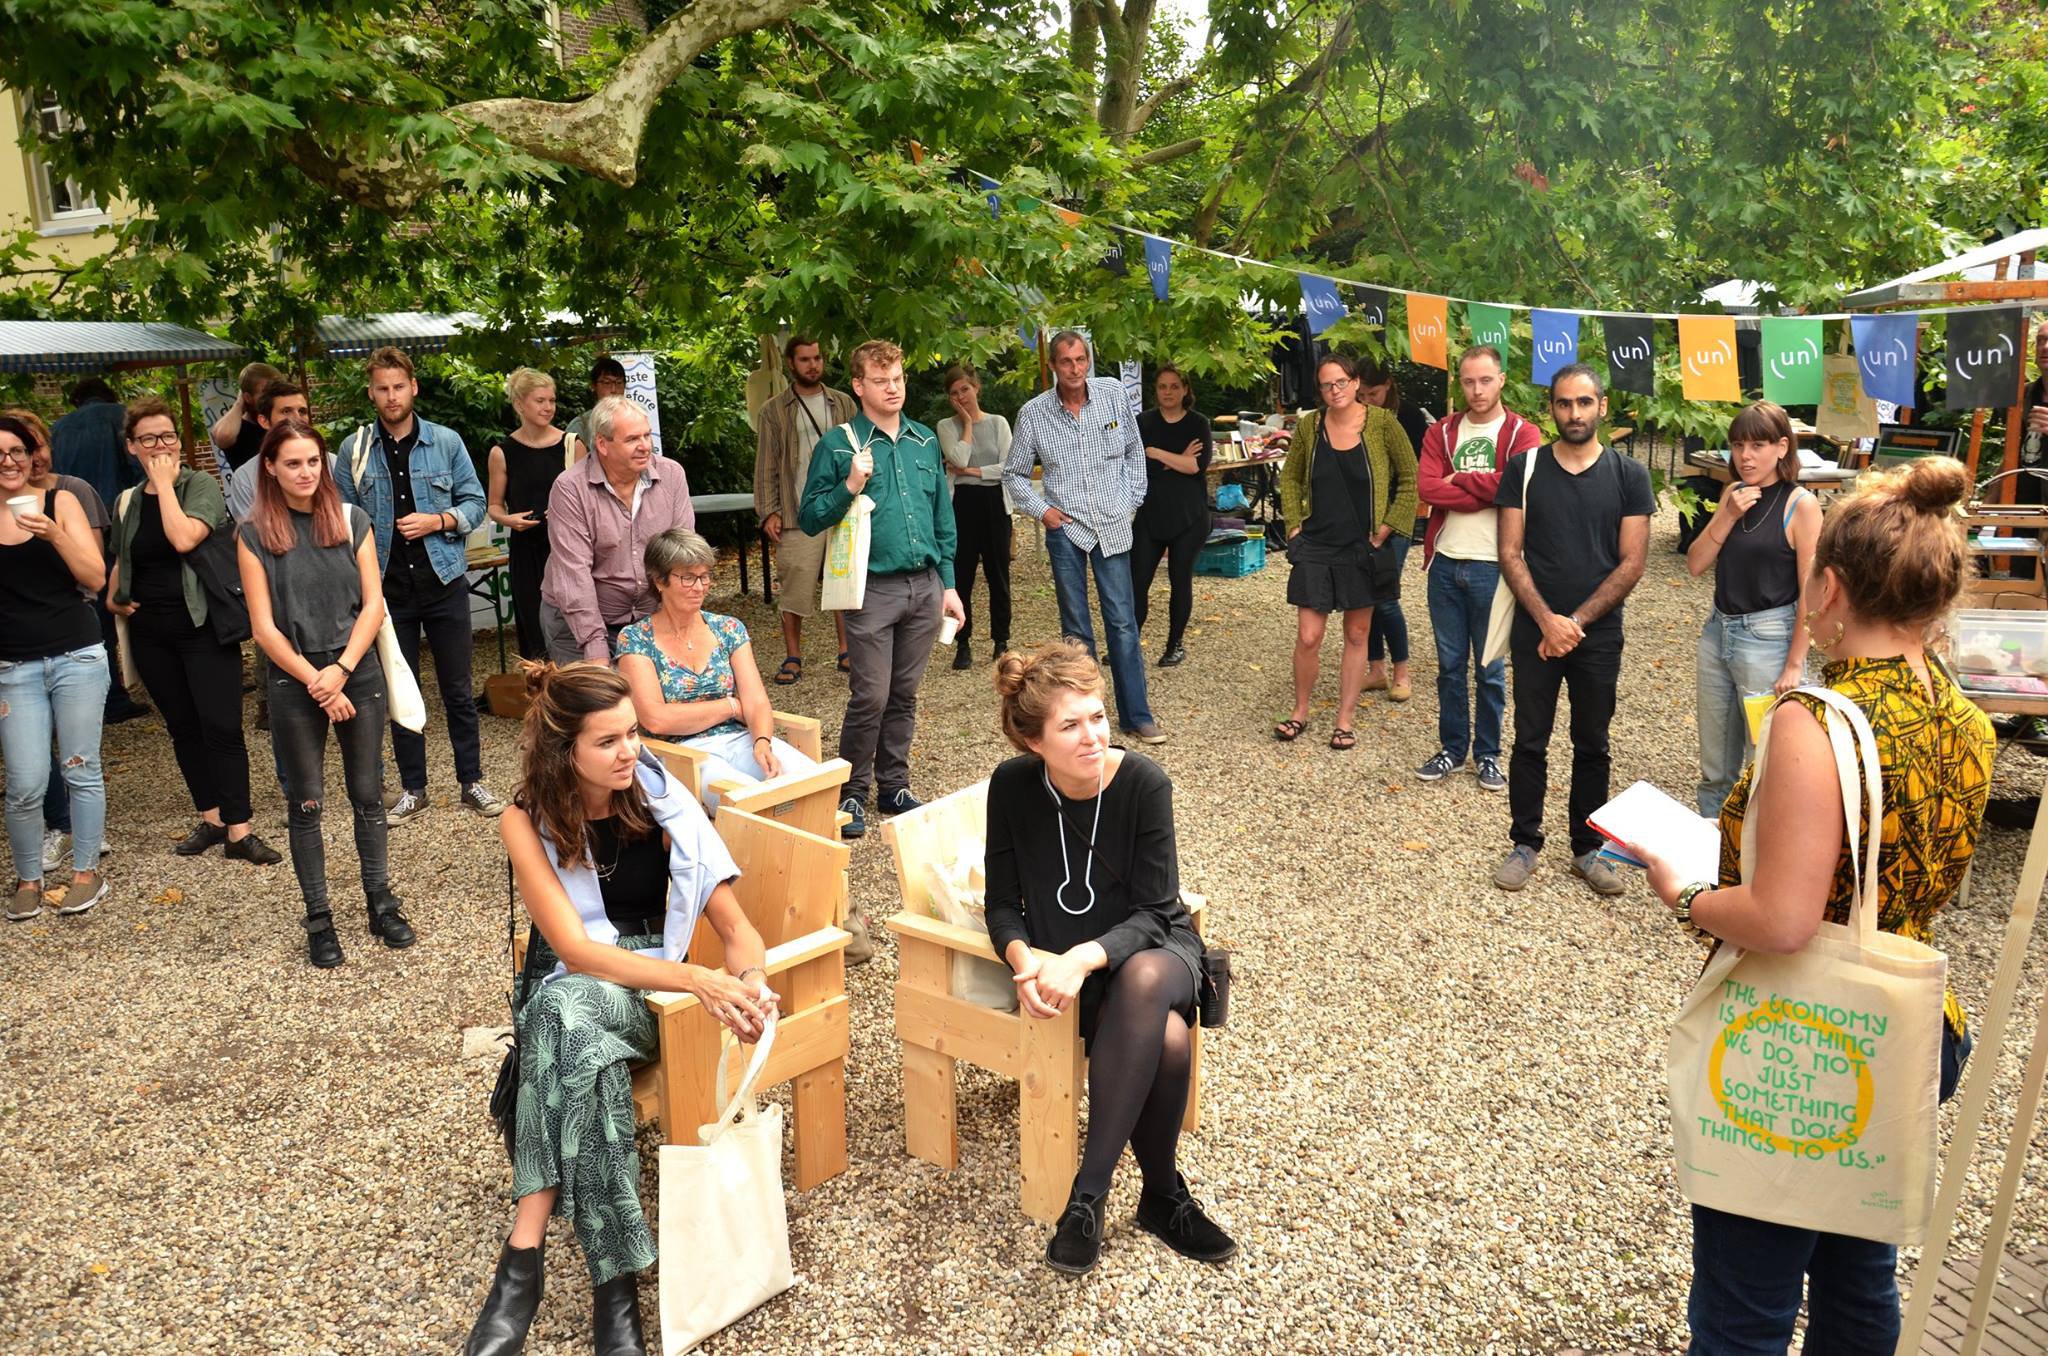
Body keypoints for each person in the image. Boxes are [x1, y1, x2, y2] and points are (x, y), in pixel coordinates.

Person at [1628, 456, 1992, 1355]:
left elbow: (1786, 921)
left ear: (1829, 585)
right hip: (1906, 1028)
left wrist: (1691, 893)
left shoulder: (1816, 720)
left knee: (1744, 1312)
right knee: (1857, 1283)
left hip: (1805, 1042)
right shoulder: (1966, 715)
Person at [465, 663, 774, 1356]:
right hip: (580, 978)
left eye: (633, 733)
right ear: (563, 750)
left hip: (653, 994)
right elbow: (575, 950)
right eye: (608, 741)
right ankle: (615, 1292)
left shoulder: (664, 805)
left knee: (564, 1021)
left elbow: (737, 930)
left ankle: (523, 1264)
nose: (630, 751)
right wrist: (699, 979)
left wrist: (749, 978)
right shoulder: (524, 820)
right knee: (578, 1040)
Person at [984, 641, 1233, 1275]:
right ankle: (1161, 1196)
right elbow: (1001, 904)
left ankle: (1085, 1198)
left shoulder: (1144, 782)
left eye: (1097, 715)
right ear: (1034, 741)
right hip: (1076, 976)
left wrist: (1078, 960)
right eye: (1070, 725)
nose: (1093, 735)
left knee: (1147, 983)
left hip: (1155, 951)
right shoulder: (1012, 787)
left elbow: (1155, 912)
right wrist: (1024, 962)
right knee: (1171, 1041)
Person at [237, 418, 408, 967]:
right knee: (306, 800)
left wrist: (340, 670)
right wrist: (317, 681)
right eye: (293, 462)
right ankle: (319, 918)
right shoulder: (252, 532)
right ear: (270, 467)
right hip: (293, 678)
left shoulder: (352, 519)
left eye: (313, 461)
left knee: (368, 793)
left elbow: (373, 604)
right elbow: (262, 628)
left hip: (354, 669)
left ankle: (380, 902)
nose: (306, 472)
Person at [1493, 364, 1652, 895]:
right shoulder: (1526, 467)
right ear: (1553, 409)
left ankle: (1587, 848)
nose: (1574, 413)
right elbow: (1510, 552)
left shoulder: (1630, 476)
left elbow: (1632, 563)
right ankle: (1524, 841)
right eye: (1564, 403)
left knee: (1593, 741)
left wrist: (1576, 623)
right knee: (1529, 739)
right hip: (1534, 628)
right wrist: (1545, 620)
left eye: (1584, 402)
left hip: (1597, 635)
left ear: (1602, 407)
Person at [798, 338, 964, 840]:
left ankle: (894, 786)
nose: (892, 388)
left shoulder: (923, 441)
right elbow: (809, 518)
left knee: (906, 693)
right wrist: (849, 485)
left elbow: (942, 517)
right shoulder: (839, 444)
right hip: (869, 589)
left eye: (898, 379)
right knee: (870, 693)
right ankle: (851, 789)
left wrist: (949, 585)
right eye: (880, 380)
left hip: (924, 585)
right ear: (858, 385)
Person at [105, 397, 281, 869]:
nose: (161, 446)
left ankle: (240, 830)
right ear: (131, 447)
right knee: (182, 728)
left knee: (221, 727)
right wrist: (113, 594)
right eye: (148, 439)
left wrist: (164, 486)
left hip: (203, 628)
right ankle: (212, 818)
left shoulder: (197, 484)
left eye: (167, 436)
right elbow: (124, 556)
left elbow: (185, 538)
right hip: (151, 634)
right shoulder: (125, 500)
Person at [335, 346, 504, 824]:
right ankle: (414, 788)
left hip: (444, 579)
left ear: (414, 388)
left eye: (398, 386)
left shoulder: (446, 442)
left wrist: (440, 519)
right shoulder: (355, 450)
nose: (391, 397)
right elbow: (342, 520)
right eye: (382, 389)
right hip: (387, 593)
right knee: (400, 691)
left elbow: (476, 503)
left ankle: (471, 781)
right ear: (371, 394)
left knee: (456, 688)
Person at [1005, 331, 1165, 743]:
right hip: (1068, 528)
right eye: (1066, 362)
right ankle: (1089, 720)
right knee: (1075, 630)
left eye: (1081, 360)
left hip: (1112, 522)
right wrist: (1044, 512)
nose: (1076, 369)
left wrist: (1131, 500)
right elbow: (1014, 473)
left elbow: (1134, 449)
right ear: (1052, 366)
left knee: (1123, 624)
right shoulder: (1034, 414)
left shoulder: (1112, 394)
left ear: (1088, 359)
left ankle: (1137, 715)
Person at [1274, 353, 1418, 751]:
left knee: (1357, 634)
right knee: (1308, 636)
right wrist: (1292, 525)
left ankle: (1345, 719)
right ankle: (1300, 710)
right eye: (1325, 385)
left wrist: (1388, 527)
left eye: (1340, 382)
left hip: (1363, 545)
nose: (1334, 391)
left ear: (1355, 383)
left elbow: (1410, 478)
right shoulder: (1309, 427)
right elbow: (1290, 478)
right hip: (1317, 544)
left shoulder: (1383, 424)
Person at [1414, 345, 1543, 789]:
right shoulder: (1443, 432)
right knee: (1449, 666)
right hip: (1446, 562)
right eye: (1468, 381)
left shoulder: (1523, 433)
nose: (1477, 389)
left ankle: (1488, 753)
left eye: (1485, 380)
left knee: (1490, 668)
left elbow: (1519, 486)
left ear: (1501, 379)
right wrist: (1488, 487)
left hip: (1496, 565)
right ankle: (1452, 748)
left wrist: (1461, 480)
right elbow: (1427, 488)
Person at [1685, 401, 1822, 818]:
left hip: (1768, 638)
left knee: (1764, 763)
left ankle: (1758, 864)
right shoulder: (1732, 494)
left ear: (1782, 447)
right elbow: (1695, 563)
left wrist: (1796, 661)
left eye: (1758, 445)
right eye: (1738, 445)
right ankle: (1711, 855)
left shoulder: (1800, 505)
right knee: (1715, 764)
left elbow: (1810, 593)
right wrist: (1725, 515)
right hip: (1717, 632)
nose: (1745, 456)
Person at [617, 529, 817, 813]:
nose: (699, 587)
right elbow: (657, 719)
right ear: (659, 580)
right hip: (680, 753)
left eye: (704, 576)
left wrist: (761, 740)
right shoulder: (636, 638)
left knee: (813, 783)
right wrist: (731, 706)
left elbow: (757, 701)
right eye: (687, 577)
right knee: (748, 804)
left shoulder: (728, 628)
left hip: (739, 739)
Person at [1, 414, 111, 920]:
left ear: (31, 456)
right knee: (25, 781)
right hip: (12, 667)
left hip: (76, 654)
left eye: (16, 451)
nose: (9, 461)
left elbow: (94, 575)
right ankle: (28, 876)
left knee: (80, 768)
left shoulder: (59, 502)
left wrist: (54, 535)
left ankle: (86, 873)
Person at [539, 395, 694, 665]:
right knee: (599, 703)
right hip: (575, 624)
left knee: (653, 702)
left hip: (648, 616)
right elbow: (574, 576)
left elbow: (682, 557)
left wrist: (683, 625)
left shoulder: (671, 475)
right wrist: (595, 650)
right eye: (633, 439)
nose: (645, 446)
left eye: (647, 436)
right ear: (602, 444)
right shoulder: (570, 489)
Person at [754, 335, 855, 685]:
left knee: (845, 580)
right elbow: (766, 464)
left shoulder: (843, 404)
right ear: (791, 364)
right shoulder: (774, 410)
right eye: (804, 359)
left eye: (817, 358)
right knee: (794, 584)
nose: (812, 365)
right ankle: (793, 656)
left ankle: (847, 650)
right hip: (798, 513)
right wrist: (769, 511)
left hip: (842, 509)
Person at [50, 376, 148, 724]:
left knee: (98, 608)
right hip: (120, 518)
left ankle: (111, 696)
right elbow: (140, 471)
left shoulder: (59, 428)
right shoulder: (121, 418)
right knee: (140, 601)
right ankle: (149, 678)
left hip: (76, 525)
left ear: (77, 400)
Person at [487, 368, 584, 662]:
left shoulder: (572, 444)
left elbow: (590, 500)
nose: (548, 407)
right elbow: (493, 506)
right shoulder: (502, 452)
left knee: (575, 624)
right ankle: (542, 696)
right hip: (526, 550)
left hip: (567, 549)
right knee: (533, 628)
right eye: (540, 400)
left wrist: (566, 515)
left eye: (552, 400)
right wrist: (509, 521)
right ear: (519, 404)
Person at [1130, 364, 1212, 669]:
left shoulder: (1198, 424)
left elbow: (1196, 467)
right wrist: (1177, 458)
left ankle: (1174, 644)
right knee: (1137, 581)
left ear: (1185, 390)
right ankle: (1128, 642)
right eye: (1163, 386)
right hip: (1150, 514)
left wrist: (1157, 453)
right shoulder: (1143, 422)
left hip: (1189, 517)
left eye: (1174, 386)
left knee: (1180, 580)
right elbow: (1136, 467)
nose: (1168, 392)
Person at [1356, 354, 1427, 699]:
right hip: (1362, 516)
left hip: (1398, 516)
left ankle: (1402, 671)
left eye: (1374, 394)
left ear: (1388, 387)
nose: (1367, 401)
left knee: (1385, 595)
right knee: (1365, 596)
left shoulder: (1410, 417)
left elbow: (1413, 477)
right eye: (1362, 395)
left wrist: (1388, 524)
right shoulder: (1355, 416)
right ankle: (1376, 669)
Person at [937, 363, 1015, 670]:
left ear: (976, 388)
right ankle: (963, 642)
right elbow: (956, 457)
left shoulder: (998, 423)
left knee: (998, 575)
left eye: (965, 390)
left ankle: (1001, 641)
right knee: (962, 577)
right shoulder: (947, 426)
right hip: (962, 506)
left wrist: (970, 471)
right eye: (954, 393)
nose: (961, 397)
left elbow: (1007, 468)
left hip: (995, 504)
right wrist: (967, 424)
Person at [224, 381, 315, 522]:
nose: (297, 418)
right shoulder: (245, 478)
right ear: (264, 421)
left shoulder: (332, 463)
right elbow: (251, 538)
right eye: (286, 411)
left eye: (302, 411)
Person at [209, 361, 285, 471]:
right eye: (266, 392)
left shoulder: (279, 423)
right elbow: (223, 436)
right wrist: (239, 403)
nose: (272, 397)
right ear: (248, 397)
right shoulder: (239, 429)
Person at [563, 355, 627, 448]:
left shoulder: (637, 421)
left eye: (619, 382)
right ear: (593, 386)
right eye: (606, 383)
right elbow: (569, 461)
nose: (613, 389)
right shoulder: (580, 426)